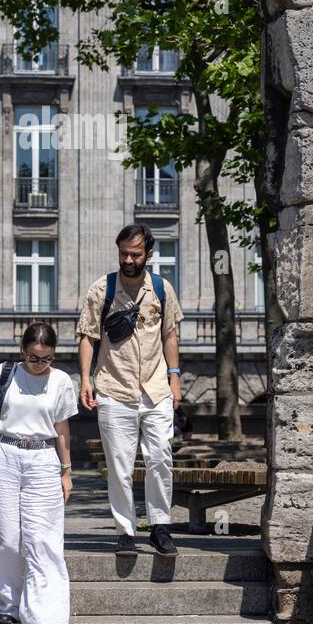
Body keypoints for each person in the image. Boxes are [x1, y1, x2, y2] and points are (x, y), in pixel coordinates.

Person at [0, 321, 77, 624]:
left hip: (43, 459)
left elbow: (62, 431)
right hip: (3, 457)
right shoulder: (3, 372)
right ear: (21, 350)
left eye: (45, 358)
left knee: (43, 542)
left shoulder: (60, 382)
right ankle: (5, 604)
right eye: (32, 357)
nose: (39, 364)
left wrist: (66, 471)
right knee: (7, 537)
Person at [77, 223, 184, 557]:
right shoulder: (102, 289)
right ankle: (125, 532)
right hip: (113, 388)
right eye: (123, 253)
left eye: (135, 254)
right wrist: (84, 379)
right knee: (120, 466)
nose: (128, 259)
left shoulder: (162, 290)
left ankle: (160, 526)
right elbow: (87, 335)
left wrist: (175, 376)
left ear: (148, 254)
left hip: (156, 389)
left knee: (161, 459)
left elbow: (169, 335)